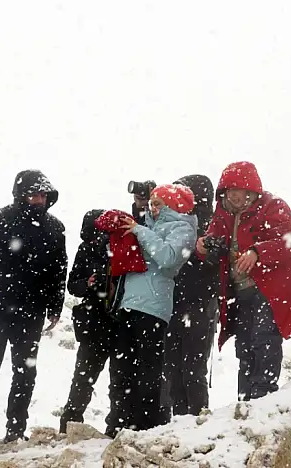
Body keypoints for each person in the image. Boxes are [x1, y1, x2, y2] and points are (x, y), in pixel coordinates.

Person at [196, 161, 291, 401]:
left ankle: (263, 393)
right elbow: (212, 240)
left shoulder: (273, 207)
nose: (232, 194)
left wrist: (257, 251)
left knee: (264, 338)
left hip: (270, 287)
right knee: (244, 344)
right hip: (240, 289)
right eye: (228, 189)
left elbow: (286, 242)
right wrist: (203, 246)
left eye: (237, 188)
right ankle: (246, 397)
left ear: (250, 189)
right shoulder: (223, 213)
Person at [0, 169, 67, 444]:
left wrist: (55, 305)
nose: (39, 200)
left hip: (31, 309)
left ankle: (16, 430)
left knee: (25, 369)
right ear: (20, 194)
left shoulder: (54, 229)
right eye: (34, 194)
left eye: (44, 195)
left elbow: (58, 271)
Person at [105, 184, 198, 438]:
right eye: (152, 202)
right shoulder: (146, 224)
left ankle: (145, 425)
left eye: (158, 203)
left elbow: (168, 258)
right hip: (129, 304)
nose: (152, 207)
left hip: (154, 308)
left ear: (173, 205)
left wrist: (140, 232)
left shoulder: (183, 228)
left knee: (148, 368)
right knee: (121, 367)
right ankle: (118, 422)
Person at [161, 174, 220, 419]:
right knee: (186, 369)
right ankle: (191, 419)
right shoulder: (199, 224)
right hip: (193, 305)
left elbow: (211, 265)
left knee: (184, 369)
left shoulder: (205, 226)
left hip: (191, 305)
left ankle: (190, 417)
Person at [59, 209, 115, 433]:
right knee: (83, 379)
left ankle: (116, 427)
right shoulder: (86, 249)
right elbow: (73, 285)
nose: (97, 240)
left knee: (118, 382)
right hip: (93, 322)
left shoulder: (121, 247)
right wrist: (89, 282)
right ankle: (69, 427)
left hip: (118, 319)